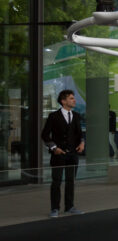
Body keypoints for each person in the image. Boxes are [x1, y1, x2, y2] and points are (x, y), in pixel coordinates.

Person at [41, 89, 85, 218]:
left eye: (73, 98)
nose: (74, 100)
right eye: (71, 98)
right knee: (56, 182)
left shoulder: (76, 116)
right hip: (58, 155)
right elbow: (44, 135)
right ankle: (54, 208)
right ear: (63, 101)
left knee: (71, 181)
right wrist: (54, 148)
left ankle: (70, 207)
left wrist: (82, 143)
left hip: (73, 154)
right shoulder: (53, 116)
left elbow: (79, 134)